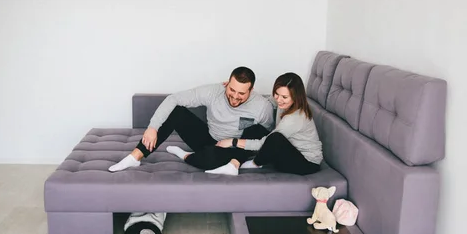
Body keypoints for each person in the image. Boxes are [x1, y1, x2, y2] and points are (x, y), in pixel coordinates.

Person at [108, 67, 274, 172]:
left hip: (232, 148)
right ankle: (135, 157)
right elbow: (174, 99)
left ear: (251, 90)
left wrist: (239, 146)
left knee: (212, 159)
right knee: (177, 112)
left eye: (241, 93)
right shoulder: (213, 91)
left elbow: (267, 134)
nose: (235, 97)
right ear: (227, 83)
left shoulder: (261, 107)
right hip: (208, 139)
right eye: (232, 90)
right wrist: (152, 128)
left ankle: (186, 155)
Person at [171, 72, 323, 176]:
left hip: (305, 163)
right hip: (286, 152)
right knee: (255, 128)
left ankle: (253, 163)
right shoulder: (280, 103)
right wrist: (234, 89)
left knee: (274, 138)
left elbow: (266, 143)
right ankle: (233, 164)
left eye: (284, 96)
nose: (278, 99)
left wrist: (233, 141)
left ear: (296, 97)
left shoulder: (295, 118)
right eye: (277, 94)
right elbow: (263, 102)